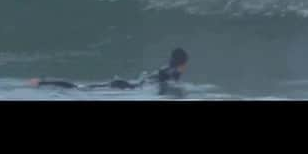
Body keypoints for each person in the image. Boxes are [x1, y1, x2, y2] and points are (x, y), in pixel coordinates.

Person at [28, 48, 189, 94]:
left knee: (81, 88)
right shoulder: (171, 71)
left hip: (124, 85)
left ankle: (42, 82)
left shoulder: (170, 69)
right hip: (123, 87)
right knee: (79, 89)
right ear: (182, 63)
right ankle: (42, 82)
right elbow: (164, 76)